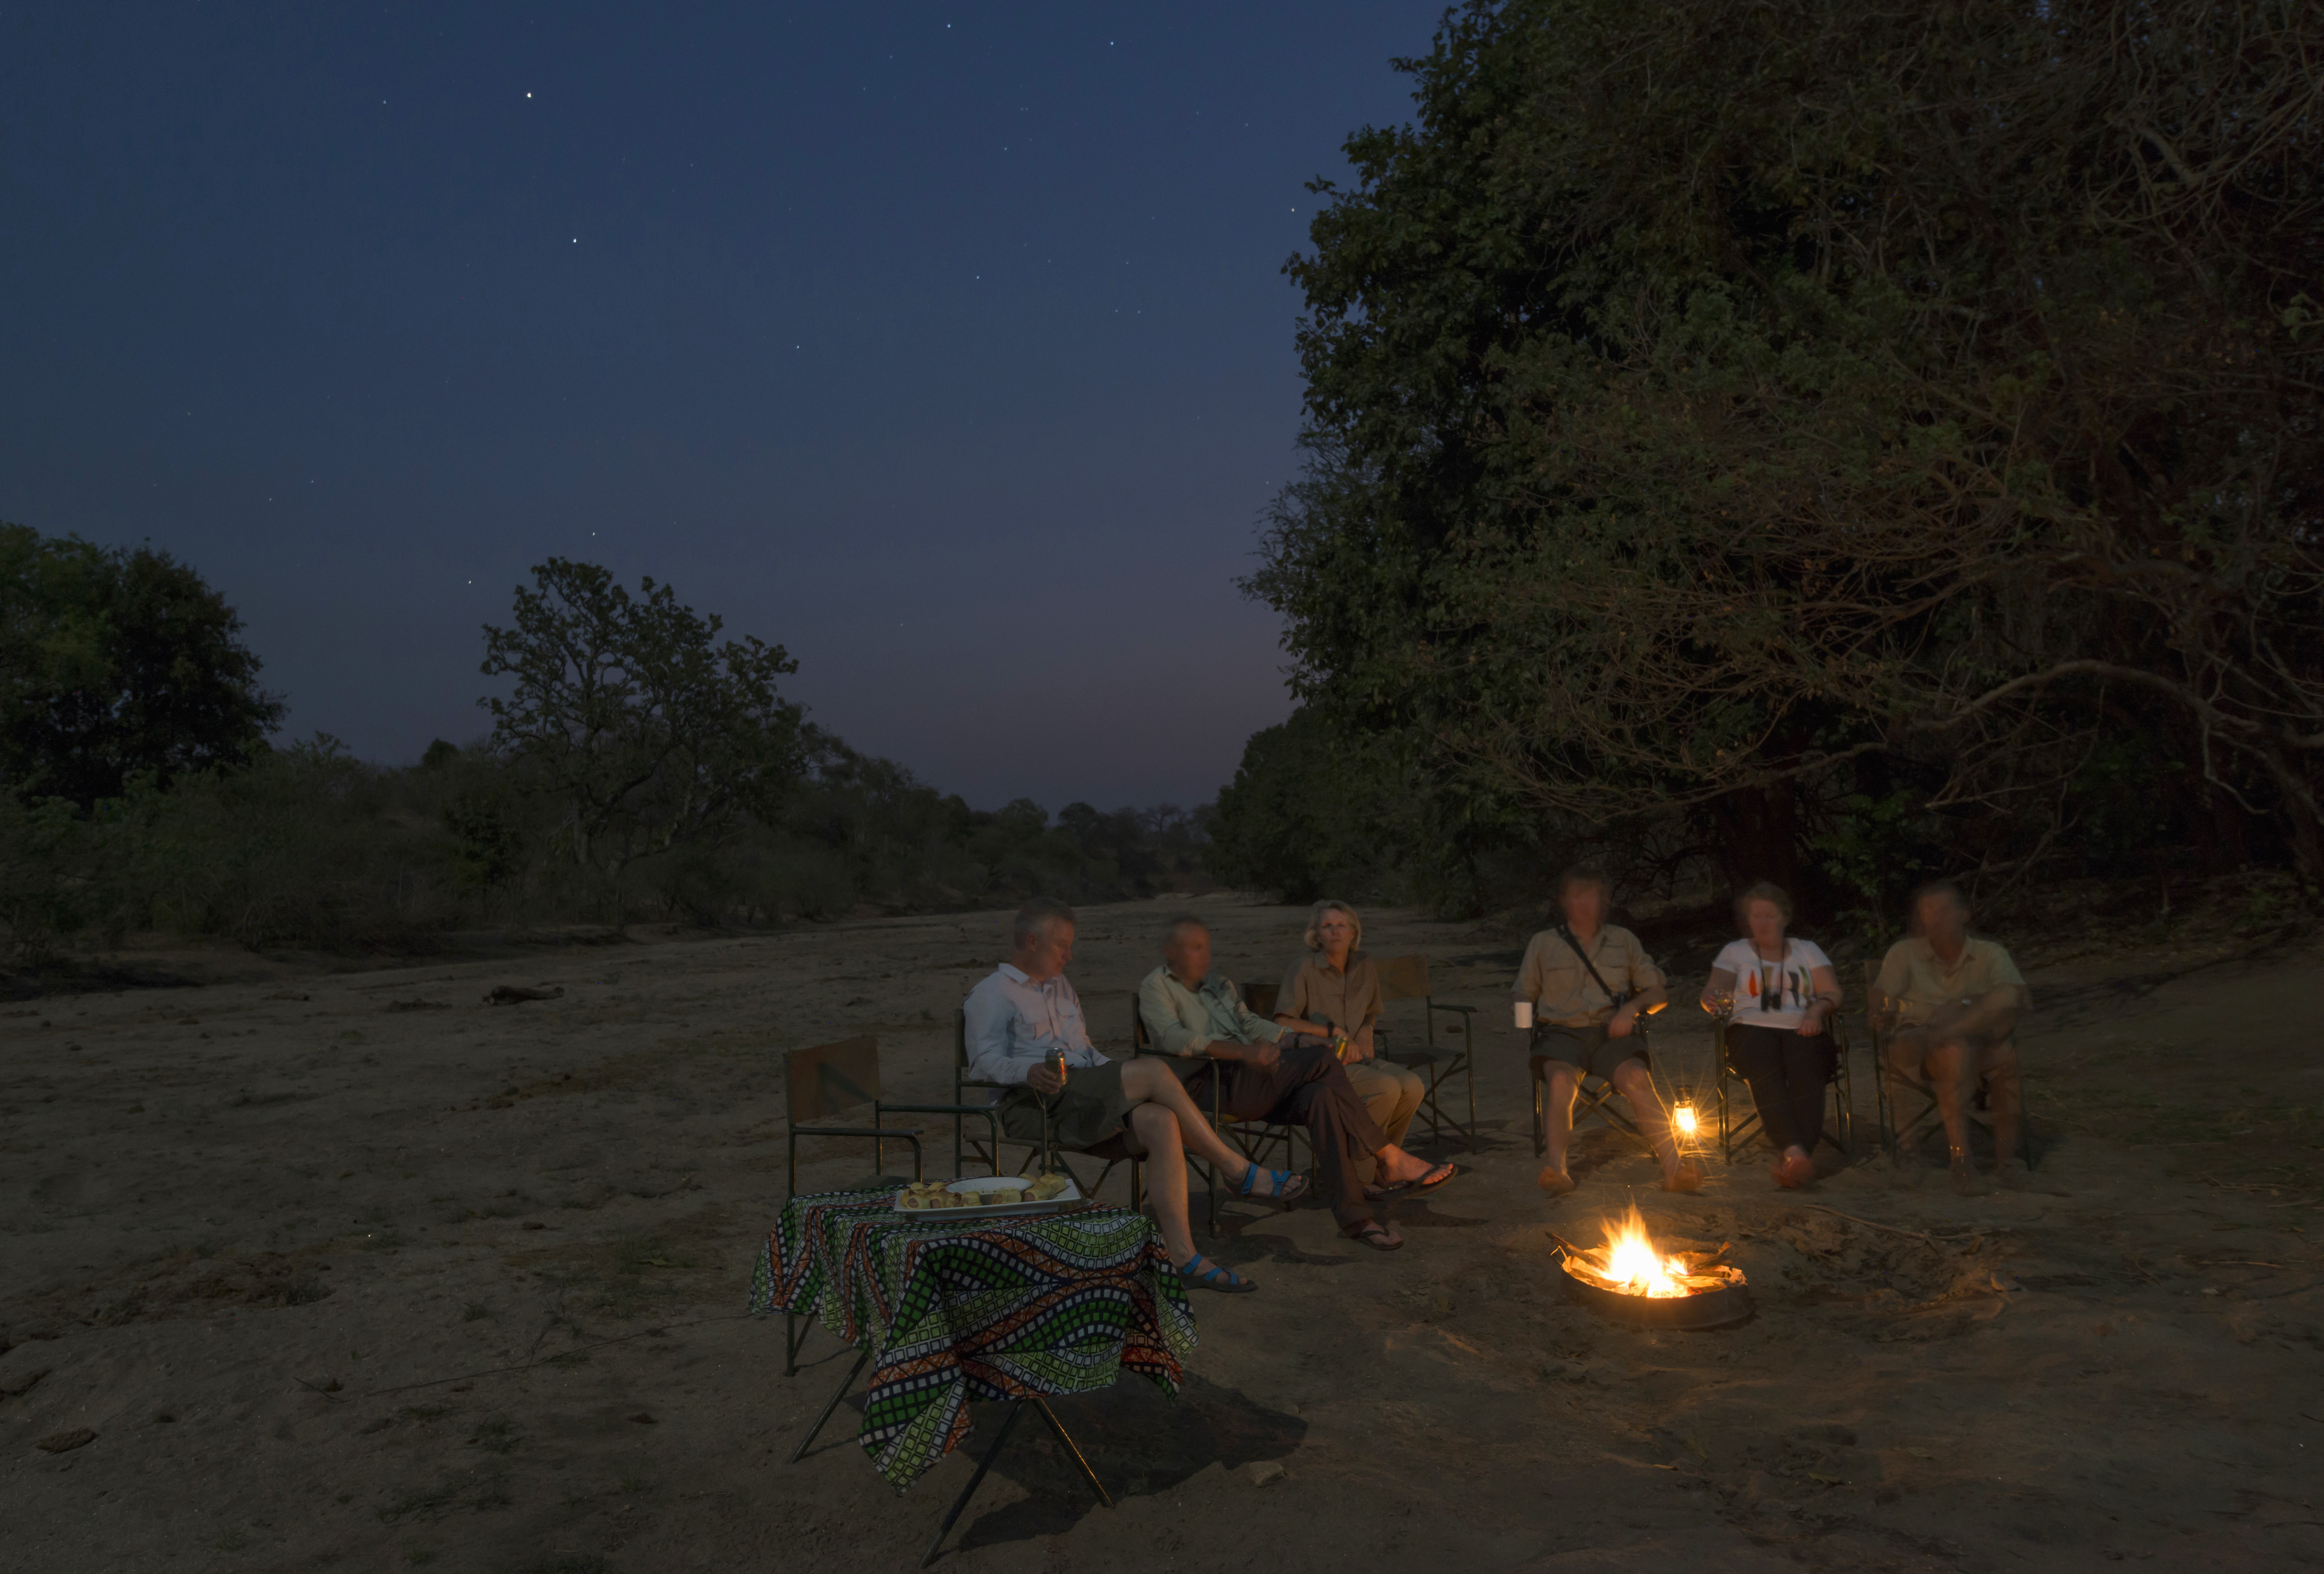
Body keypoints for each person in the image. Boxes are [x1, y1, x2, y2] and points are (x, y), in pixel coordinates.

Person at [965, 898, 1300, 1292]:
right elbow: (982, 1063)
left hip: (1083, 1094)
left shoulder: (1061, 988)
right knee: (1156, 1070)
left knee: (1161, 1120)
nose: (1070, 956)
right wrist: (1029, 1071)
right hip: (1032, 1104)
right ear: (1032, 941)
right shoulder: (992, 992)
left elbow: (1086, 1050)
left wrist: (1120, 1075)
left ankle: (1183, 1257)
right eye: (1063, 946)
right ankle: (1239, 1171)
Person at [1138, 915, 1456, 1252]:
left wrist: (1294, 1040)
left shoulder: (1219, 984)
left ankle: (1357, 1219)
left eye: (1206, 947)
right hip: (1209, 1084)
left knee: (1320, 1094)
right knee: (1323, 1061)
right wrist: (1246, 1051)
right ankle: (1389, 1155)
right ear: (1170, 950)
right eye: (1195, 948)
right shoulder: (1156, 985)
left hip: (1255, 1080)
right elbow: (1172, 1038)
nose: (1204, 956)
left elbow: (1250, 1022)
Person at [1514, 866, 1700, 1196]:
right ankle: (1558, 1169)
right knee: (1560, 1081)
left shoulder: (1623, 941)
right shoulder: (1543, 943)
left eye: (1591, 896)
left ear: (1604, 901)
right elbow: (1522, 992)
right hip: (1562, 1034)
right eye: (1576, 895)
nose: (1584, 903)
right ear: (1564, 901)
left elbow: (1658, 992)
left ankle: (1673, 1169)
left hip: (1611, 1034)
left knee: (1638, 1079)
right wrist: (1525, 1027)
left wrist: (1631, 1009)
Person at [1872, 880, 2031, 1195]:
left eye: (1943, 911)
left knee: (1994, 1042)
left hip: (1977, 1045)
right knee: (1954, 1049)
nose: (1935, 919)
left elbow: (2018, 998)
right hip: (1916, 1048)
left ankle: (2007, 1164)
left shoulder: (1989, 954)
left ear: (1965, 915)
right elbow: (1878, 1002)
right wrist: (1883, 1011)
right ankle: (1962, 1161)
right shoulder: (1904, 954)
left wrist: (1962, 1008)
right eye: (1928, 913)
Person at [1269, 901, 1427, 1198]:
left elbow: (1371, 1011)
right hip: (1319, 1061)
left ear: (1353, 932)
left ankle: (1387, 1167)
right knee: (1386, 1088)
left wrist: (1367, 1029)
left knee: (1413, 1085)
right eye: (1327, 926)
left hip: (1359, 1057)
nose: (1335, 931)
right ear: (1316, 935)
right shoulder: (1303, 968)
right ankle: (1357, 1178)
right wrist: (1332, 1032)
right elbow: (1282, 1021)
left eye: (1341, 925)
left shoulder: (1364, 965)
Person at [1700, 882, 1843, 1190]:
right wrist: (1712, 998)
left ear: (1785, 917)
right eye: (1757, 916)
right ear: (1749, 920)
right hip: (1750, 1026)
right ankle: (1796, 1153)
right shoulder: (1735, 952)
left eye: (1770, 916)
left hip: (1803, 1023)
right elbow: (1715, 990)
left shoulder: (1807, 950)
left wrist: (1816, 1011)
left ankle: (1797, 1155)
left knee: (1807, 1064)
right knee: (1762, 1064)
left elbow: (1832, 992)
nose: (1763, 923)